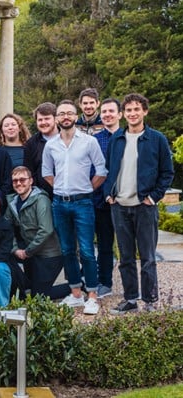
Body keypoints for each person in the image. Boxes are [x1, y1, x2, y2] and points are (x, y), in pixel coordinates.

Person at [105, 93, 174, 314]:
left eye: (137, 109)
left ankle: (150, 301)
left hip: (145, 207)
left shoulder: (157, 139)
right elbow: (108, 169)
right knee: (125, 258)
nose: (133, 113)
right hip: (119, 206)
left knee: (147, 258)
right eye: (129, 110)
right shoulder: (116, 139)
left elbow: (167, 172)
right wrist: (108, 194)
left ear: (145, 111)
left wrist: (153, 197)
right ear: (123, 114)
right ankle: (130, 299)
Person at [42, 99, 107, 315]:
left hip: (83, 203)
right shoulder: (51, 145)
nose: (66, 117)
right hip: (60, 203)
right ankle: (76, 294)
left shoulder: (89, 142)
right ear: (57, 118)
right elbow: (46, 172)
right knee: (67, 250)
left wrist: (87, 188)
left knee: (87, 250)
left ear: (76, 116)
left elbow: (101, 170)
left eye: (69, 113)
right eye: (61, 114)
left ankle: (92, 296)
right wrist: (61, 188)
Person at [5, 166, 70, 299]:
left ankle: (77, 285)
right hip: (31, 255)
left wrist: (27, 252)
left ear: (31, 181)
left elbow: (46, 230)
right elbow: (6, 228)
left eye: (22, 179)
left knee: (38, 296)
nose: (18, 183)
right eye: (15, 181)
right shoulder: (13, 201)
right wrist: (15, 249)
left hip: (49, 254)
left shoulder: (41, 200)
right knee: (28, 290)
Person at [92, 98, 123, 298]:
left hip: (127, 201)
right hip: (101, 201)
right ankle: (105, 282)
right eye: (104, 112)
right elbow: (91, 169)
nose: (107, 115)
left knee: (128, 246)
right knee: (104, 244)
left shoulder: (129, 137)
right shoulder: (94, 140)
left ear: (120, 114)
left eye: (111, 111)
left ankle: (132, 286)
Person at [23, 102, 59, 198]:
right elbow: (29, 173)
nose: (43, 122)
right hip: (42, 197)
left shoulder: (67, 139)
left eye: (47, 118)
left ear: (56, 119)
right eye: (40, 120)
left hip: (68, 195)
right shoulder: (30, 144)